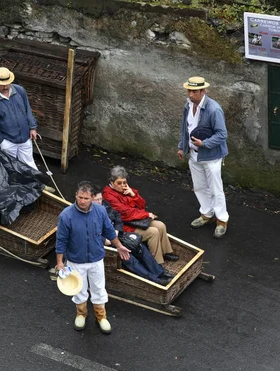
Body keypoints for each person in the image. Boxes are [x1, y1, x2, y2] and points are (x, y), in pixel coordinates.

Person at [56, 181, 130, 334]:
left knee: (98, 288)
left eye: (86, 198)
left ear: (92, 198)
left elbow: (109, 230)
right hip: (76, 261)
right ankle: (81, 314)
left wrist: (119, 246)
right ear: (76, 195)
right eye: (80, 197)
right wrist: (59, 263)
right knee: (79, 289)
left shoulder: (101, 211)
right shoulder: (66, 215)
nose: (82, 201)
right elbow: (61, 240)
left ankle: (101, 316)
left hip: (96, 259)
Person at [177, 76, 230, 238]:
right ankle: (207, 213)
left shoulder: (214, 109)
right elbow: (185, 127)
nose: (191, 94)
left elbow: (222, 134)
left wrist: (204, 143)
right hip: (194, 155)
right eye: (189, 91)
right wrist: (181, 146)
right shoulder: (188, 104)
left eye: (194, 91)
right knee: (199, 186)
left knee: (216, 189)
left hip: (212, 157)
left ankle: (221, 220)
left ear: (203, 91)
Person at [91, 187, 174, 286]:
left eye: (101, 199)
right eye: (97, 200)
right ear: (91, 199)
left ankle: (159, 272)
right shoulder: (89, 215)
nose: (100, 202)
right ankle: (153, 280)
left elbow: (117, 216)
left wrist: (117, 230)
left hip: (117, 235)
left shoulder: (104, 205)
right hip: (106, 243)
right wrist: (105, 240)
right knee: (128, 257)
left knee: (139, 247)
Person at [102, 166, 178, 265]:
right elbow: (125, 213)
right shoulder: (108, 195)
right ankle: (157, 262)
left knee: (160, 225)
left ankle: (166, 252)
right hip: (124, 226)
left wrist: (134, 195)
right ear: (111, 183)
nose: (123, 185)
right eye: (119, 183)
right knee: (153, 232)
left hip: (135, 220)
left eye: (124, 182)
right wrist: (146, 214)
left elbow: (142, 205)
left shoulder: (126, 189)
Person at [0, 67, 38, 170]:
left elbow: (27, 110)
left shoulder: (20, 90)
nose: (5, 86)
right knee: (10, 169)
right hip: (8, 142)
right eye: (2, 84)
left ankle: (35, 185)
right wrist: (2, 141)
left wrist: (32, 127)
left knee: (30, 166)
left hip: (25, 138)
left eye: (7, 83)